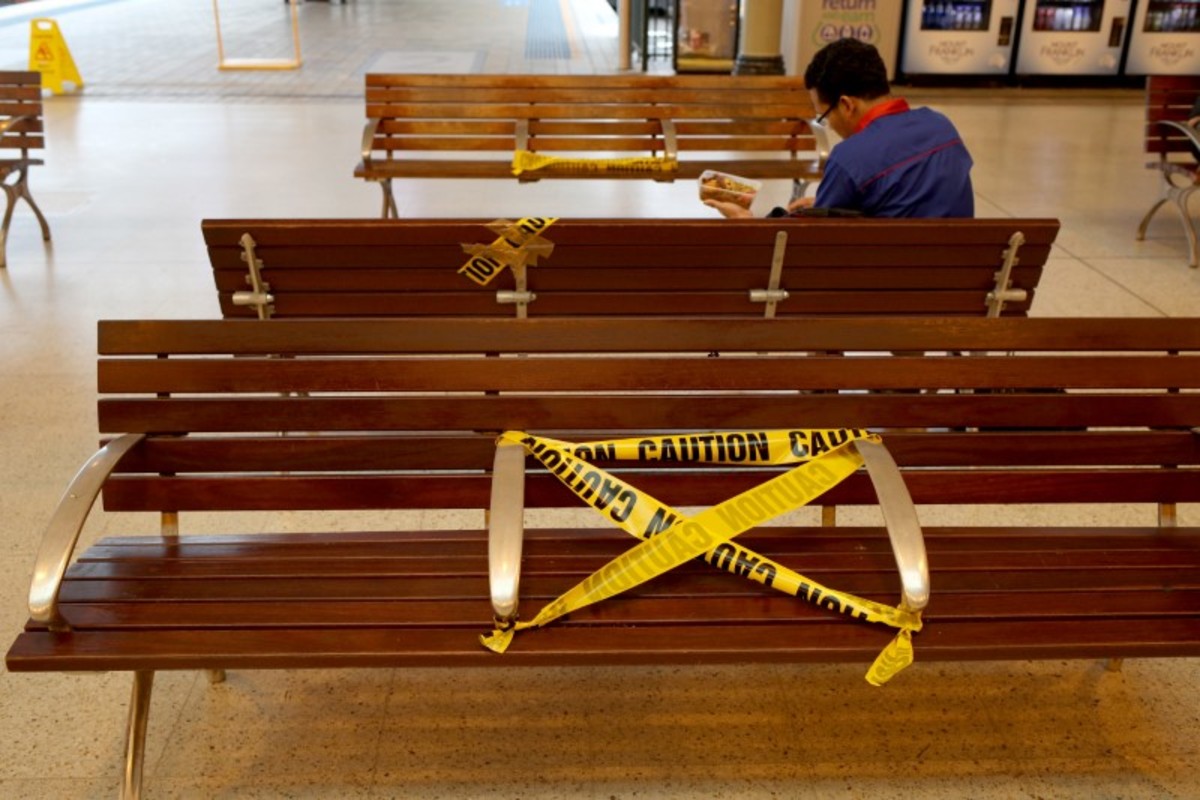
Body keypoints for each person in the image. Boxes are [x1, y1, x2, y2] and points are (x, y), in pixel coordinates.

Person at [706, 38, 975, 219]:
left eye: (824, 114)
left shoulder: (850, 158)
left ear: (846, 104)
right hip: (953, 276)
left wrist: (748, 222)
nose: (831, 126)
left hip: (884, 283)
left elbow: (807, 249)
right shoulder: (942, 127)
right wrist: (836, 208)